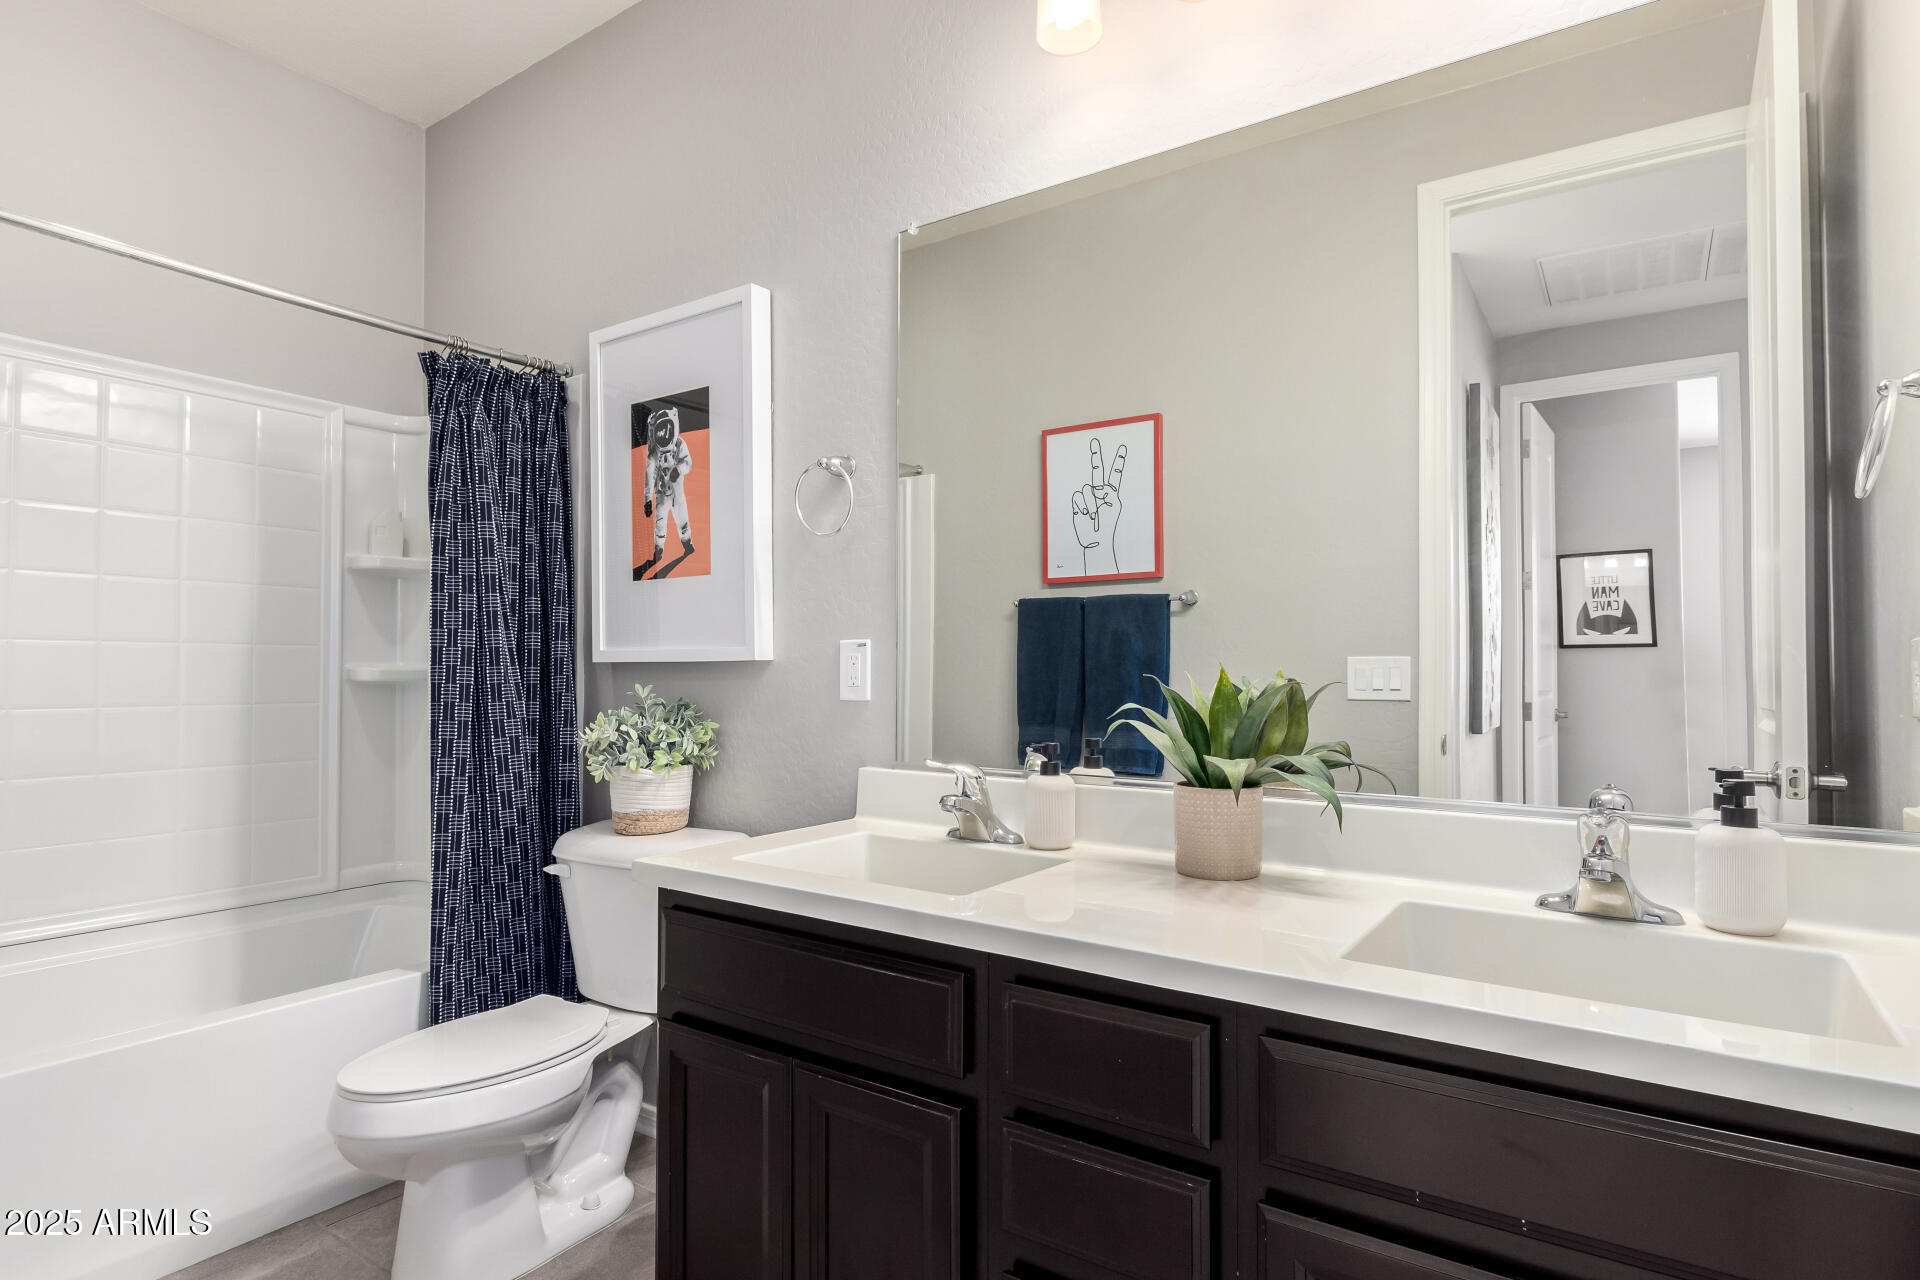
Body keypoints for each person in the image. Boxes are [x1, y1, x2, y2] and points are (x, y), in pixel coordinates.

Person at [643, 405, 695, 568]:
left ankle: (687, 544)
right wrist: (647, 500)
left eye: (667, 430)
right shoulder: (654, 454)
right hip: (661, 495)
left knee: (682, 519)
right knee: (660, 524)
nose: (664, 434)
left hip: (677, 494)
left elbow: (687, 462)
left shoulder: (679, 444)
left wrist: (678, 470)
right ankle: (658, 550)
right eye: (660, 431)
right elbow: (649, 478)